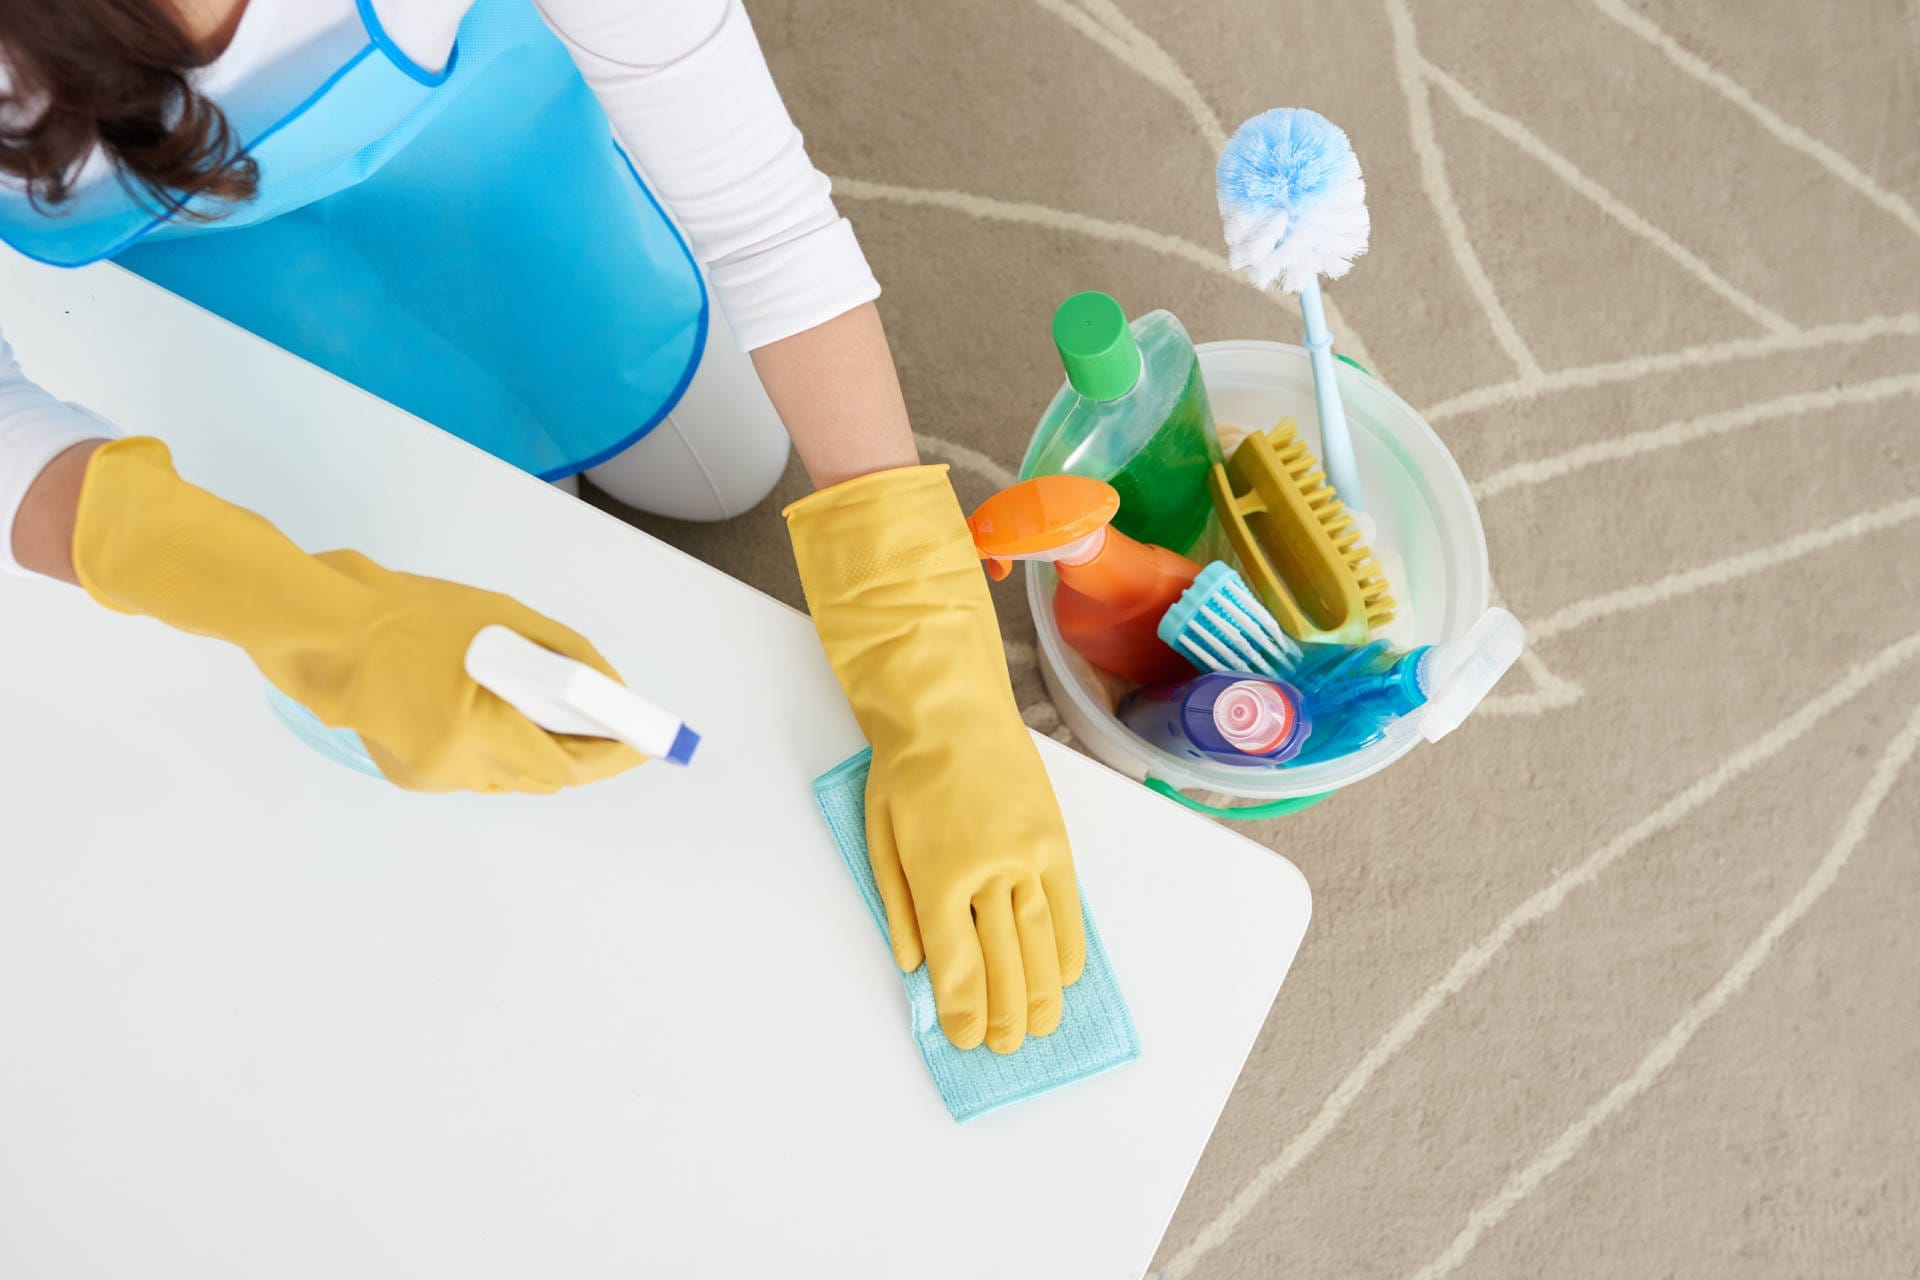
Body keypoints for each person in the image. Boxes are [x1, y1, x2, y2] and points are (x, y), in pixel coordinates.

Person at [0, 0, 1082, 1055]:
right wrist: (302, 612)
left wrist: (928, 662)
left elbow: (769, 223)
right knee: (529, 572)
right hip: (240, 284)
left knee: (727, 469)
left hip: (492, 169)